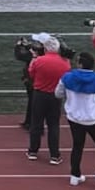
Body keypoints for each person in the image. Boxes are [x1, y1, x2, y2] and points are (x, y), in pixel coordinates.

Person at [56, 52, 95, 187]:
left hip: (74, 118)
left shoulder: (67, 77)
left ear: (80, 64)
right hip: (93, 118)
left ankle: (75, 175)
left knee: (77, 145)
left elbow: (58, 93)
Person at [26, 33, 71, 164]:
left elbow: (31, 74)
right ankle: (54, 155)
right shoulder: (65, 63)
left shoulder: (39, 60)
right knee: (53, 125)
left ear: (45, 48)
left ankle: (33, 151)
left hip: (39, 95)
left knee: (36, 123)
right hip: (55, 96)